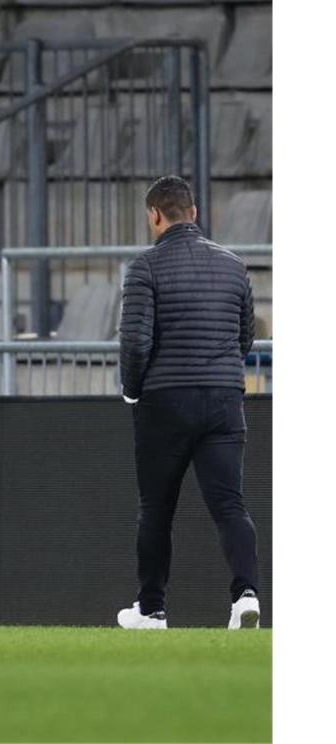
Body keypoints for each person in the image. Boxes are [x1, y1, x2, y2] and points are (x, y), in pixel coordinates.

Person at [117, 175, 260, 630]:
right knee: (230, 505)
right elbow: (245, 337)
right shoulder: (235, 265)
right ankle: (245, 597)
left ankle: (152, 608)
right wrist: (217, 372)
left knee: (157, 508)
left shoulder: (145, 268)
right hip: (223, 401)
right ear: (193, 213)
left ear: (155, 216)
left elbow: (135, 342)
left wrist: (132, 389)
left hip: (165, 403)